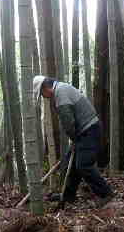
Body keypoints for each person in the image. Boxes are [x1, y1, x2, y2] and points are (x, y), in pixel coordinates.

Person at [32, 75, 114, 208]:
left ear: (45, 88)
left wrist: (74, 138)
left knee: (83, 165)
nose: (43, 97)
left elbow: (68, 122)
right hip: (83, 131)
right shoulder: (61, 89)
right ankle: (67, 195)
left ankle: (105, 193)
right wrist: (75, 139)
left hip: (89, 130)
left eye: (41, 94)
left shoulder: (60, 93)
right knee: (69, 162)